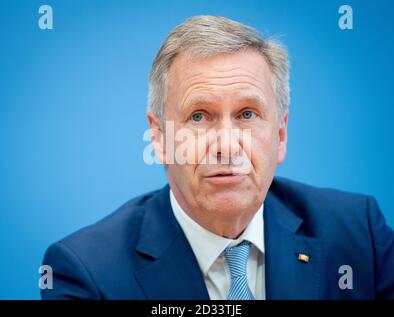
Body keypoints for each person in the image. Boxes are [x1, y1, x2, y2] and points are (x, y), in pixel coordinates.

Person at [41, 15, 394, 300]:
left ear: (281, 134)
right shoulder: (87, 272)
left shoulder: (359, 235)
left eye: (247, 115)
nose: (226, 145)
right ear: (160, 138)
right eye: (199, 116)